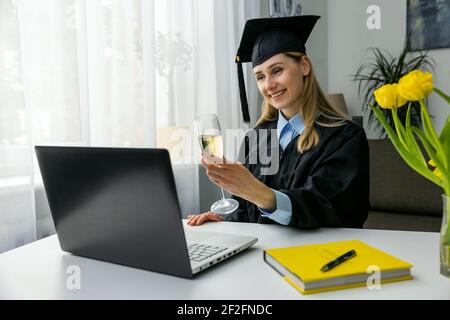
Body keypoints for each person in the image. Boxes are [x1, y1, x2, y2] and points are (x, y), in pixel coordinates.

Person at [187, 15, 369, 228]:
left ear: (304, 66)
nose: (269, 85)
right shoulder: (257, 138)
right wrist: (227, 218)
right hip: (260, 255)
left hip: (317, 256)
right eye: (260, 76)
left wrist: (261, 194)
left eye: (277, 70)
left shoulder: (344, 137)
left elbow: (332, 209)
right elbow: (247, 211)